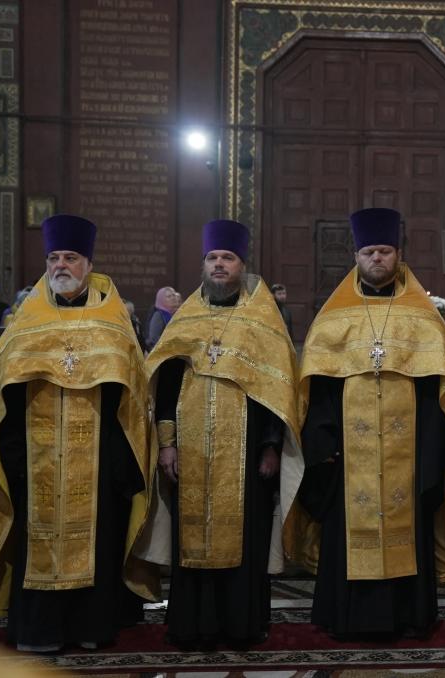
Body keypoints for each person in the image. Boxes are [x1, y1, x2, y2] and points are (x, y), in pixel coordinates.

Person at [0, 214, 158, 651]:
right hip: (35, 459)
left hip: (98, 465)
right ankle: (38, 631)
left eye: (71, 257)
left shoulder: (113, 323)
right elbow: (2, 391)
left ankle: (90, 629)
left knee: (97, 543)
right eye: (54, 257)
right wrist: (12, 458)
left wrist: (120, 467)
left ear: (89, 264)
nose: (61, 265)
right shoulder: (27, 321)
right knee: (35, 541)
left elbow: (132, 399)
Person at [292, 207, 445, 639]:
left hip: (408, 459)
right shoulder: (332, 320)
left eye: (385, 251)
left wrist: (429, 457)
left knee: (409, 527)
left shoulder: (424, 319)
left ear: (398, 255)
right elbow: (319, 391)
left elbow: (437, 395)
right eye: (369, 251)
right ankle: (347, 617)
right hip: (347, 459)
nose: (377, 258)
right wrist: (324, 446)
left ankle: (410, 616)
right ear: (356, 257)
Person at [137, 219, 303, 650]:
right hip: (190, 453)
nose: (219, 264)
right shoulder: (186, 319)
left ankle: (241, 627)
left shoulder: (263, 321)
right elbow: (165, 386)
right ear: (203, 265)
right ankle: (191, 626)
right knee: (190, 538)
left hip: (247, 454)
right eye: (212, 257)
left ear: (241, 265)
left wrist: (271, 447)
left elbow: (277, 391)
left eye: (227, 257)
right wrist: (167, 444)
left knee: (245, 540)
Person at [145, 286, 180, 350]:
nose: (173, 298)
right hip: (165, 352)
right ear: (161, 300)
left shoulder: (178, 313)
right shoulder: (159, 315)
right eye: (169, 296)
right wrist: (171, 345)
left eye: (174, 295)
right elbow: (154, 337)